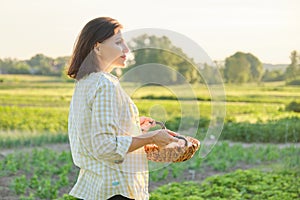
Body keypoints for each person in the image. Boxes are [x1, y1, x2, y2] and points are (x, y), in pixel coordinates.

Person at [67, 17, 179, 200]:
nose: (126, 49)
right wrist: (151, 137)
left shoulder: (86, 81)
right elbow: (105, 147)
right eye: (118, 42)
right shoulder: (105, 84)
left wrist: (133, 127)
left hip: (98, 186)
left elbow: (93, 132)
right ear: (97, 47)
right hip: (115, 188)